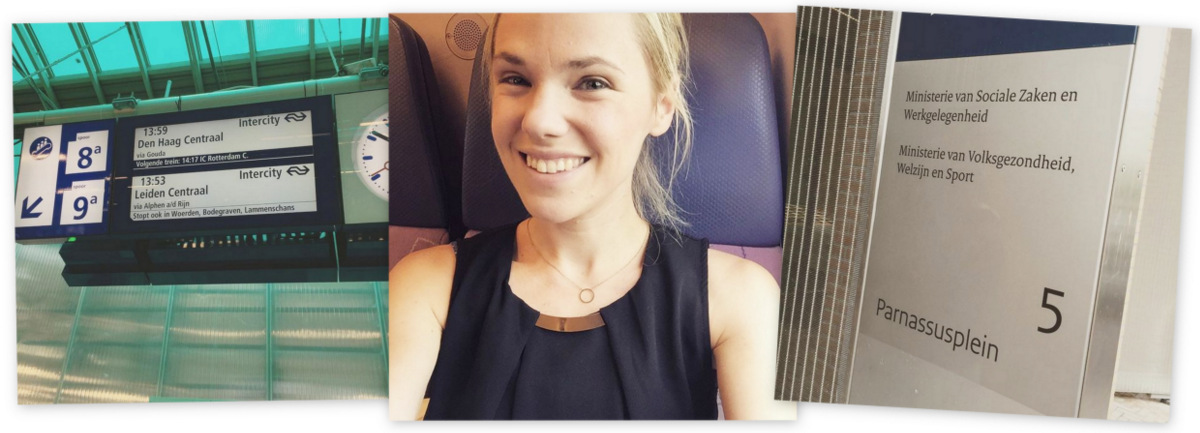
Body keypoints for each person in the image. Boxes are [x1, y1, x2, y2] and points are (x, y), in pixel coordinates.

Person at [389, 13, 793, 420]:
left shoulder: (741, 298)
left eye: (593, 83)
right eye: (516, 79)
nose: (539, 121)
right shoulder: (425, 287)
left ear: (662, 105)